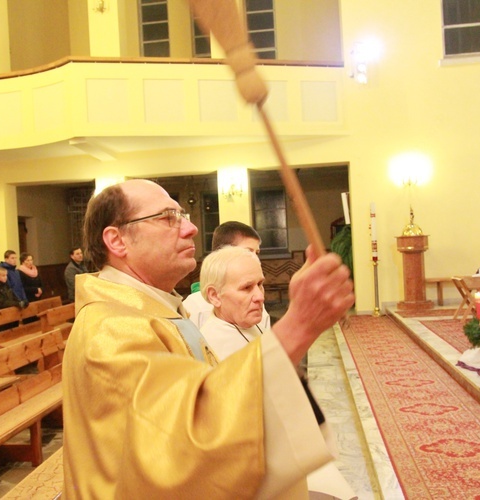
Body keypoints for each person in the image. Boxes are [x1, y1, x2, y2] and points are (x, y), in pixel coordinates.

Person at [62, 179, 354, 498]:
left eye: (183, 215)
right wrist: (299, 324)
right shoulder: (112, 328)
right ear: (117, 240)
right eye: (167, 217)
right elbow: (183, 450)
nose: (191, 229)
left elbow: (208, 391)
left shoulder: (157, 308)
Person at [199, 245, 356, 499]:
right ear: (215, 296)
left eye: (260, 284)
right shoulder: (213, 345)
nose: (260, 296)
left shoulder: (248, 321)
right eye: (247, 288)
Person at [182, 221, 270, 330]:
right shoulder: (195, 307)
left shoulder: (256, 300)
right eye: (247, 252)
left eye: (256, 253)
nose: (254, 259)